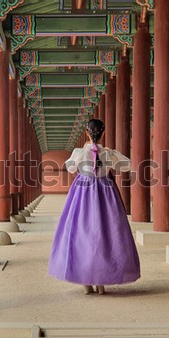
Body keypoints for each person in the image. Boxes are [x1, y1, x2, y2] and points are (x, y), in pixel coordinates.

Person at [48, 118, 140, 295]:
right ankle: (101, 283)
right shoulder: (108, 153)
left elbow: (70, 168)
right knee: (106, 234)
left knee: (82, 234)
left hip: (82, 195)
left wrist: (84, 151)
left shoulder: (79, 152)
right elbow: (127, 165)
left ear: (87, 133)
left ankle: (86, 282)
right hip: (106, 194)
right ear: (103, 133)